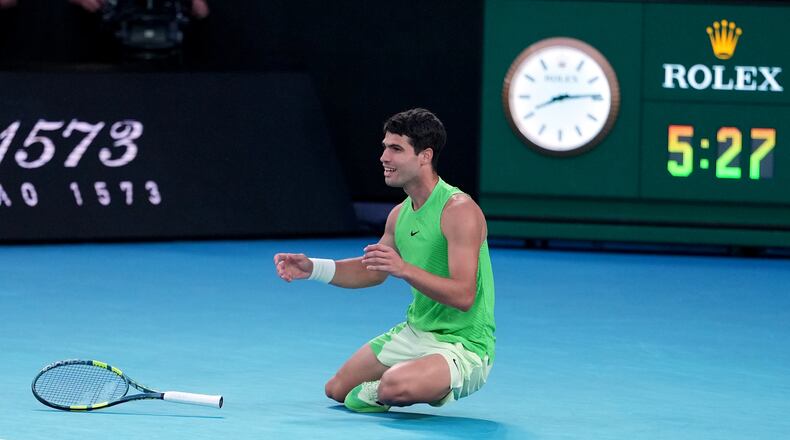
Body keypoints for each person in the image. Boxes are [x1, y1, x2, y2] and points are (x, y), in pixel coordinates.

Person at [274, 108, 495, 412]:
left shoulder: (459, 210)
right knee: (336, 389)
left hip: (463, 345)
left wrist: (404, 269)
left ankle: (399, 382)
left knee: (393, 386)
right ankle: (404, 377)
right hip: (416, 332)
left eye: (395, 149)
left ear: (425, 156)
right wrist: (313, 268)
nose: (384, 158)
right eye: (384, 147)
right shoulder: (398, 215)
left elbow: (464, 295)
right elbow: (372, 272)